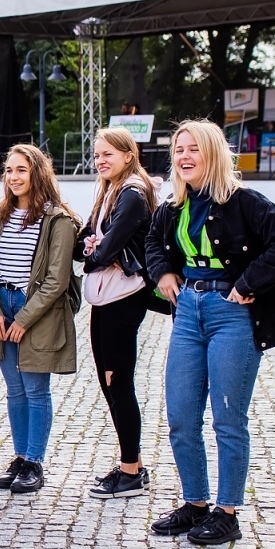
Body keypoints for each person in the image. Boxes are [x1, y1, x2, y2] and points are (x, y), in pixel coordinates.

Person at [146, 119, 275, 546]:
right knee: (181, 417)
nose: (183, 156)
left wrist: (248, 282)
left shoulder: (244, 202)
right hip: (187, 313)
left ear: (213, 154)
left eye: (193, 149)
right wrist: (162, 272)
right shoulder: (172, 207)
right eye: (179, 149)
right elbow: (152, 243)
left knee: (227, 419)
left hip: (231, 316)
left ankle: (227, 511)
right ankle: (195, 504)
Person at [0, 144, 80, 496]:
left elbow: (56, 280)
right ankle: (20, 456)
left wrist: (23, 318)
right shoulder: (0, 215)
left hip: (36, 309)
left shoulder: (58, 219)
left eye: (21, 170)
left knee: (36, 389)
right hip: (2, 305)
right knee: (14, 390)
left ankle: (35, 461)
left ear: (37, 172)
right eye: (9, 170)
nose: (14, 177)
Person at [78, 128, 163, 500]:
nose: (101, 160)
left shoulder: (131, 195)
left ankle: (131, 470)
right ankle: (133, 462)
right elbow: (85, 246)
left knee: (117, 381)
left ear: (129, 154)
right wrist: (94, 248)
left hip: (124, 297)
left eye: (108, 154)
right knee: (109, 380)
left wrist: (96, 249)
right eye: (97, 155)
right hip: (108, 296)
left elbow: (98, 252)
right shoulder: (108, 191)